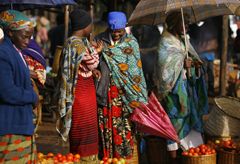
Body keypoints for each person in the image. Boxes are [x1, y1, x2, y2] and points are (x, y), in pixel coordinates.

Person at [95, 11, 148, 159]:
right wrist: (96, 62)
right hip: (105, 93)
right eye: (114, 31)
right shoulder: (99, 40)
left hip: (125, 96)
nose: (117, 34)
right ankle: (106, 158)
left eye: (119, 31)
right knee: (105, 128)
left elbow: (135, 71)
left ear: (124, 28)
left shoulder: (131, 42)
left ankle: (125, 159)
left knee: (125, 129)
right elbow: (90, 62)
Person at [157, 11, 208, 164]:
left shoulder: (184, 39)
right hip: (173, 91)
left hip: (187, 89)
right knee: (175, 124)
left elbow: (192, 58)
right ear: (173, 23)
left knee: (191, 120)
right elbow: (164, 69)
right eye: (184, 23)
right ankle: (173, 159)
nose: (187, 26)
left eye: (188, 23)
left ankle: (193, 153)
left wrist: (195, 66)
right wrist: (181, 64)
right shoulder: (165, 42)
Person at [56, 9, 101, 163]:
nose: (92, 28)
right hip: (82, 95)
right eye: (90, 25)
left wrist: (92, 69)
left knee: (81, 129)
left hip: (84, 91)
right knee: (83, 129)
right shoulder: (76, 44)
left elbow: (81, 65)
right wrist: (97, 50)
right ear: (84, 26)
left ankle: (79, 158)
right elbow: (92, 62)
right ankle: (84, 160)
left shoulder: (75, 42)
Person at [0, 10, 38, 163]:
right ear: (10, 32)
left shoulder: (17, 52)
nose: (28, 41)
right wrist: (32, 96)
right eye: (24, 36)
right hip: (11, 125)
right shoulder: (4, 54)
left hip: (21, 123)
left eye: (30, 37)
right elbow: (7, 91)